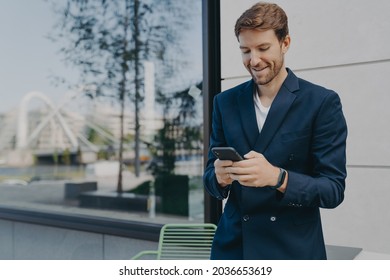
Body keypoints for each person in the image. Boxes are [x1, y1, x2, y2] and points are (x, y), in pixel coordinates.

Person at [203, 1, 347, 260]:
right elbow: (210, 181)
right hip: (235, 249)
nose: (254, 60)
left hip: (291, 251)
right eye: (245, 50)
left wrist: (278, 178)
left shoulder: (321, 102)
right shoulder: (224, 102)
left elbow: (332, 190)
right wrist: (220, 178)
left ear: (285, 43)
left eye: (263, 48)